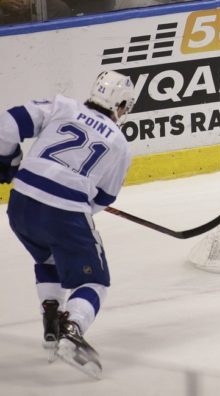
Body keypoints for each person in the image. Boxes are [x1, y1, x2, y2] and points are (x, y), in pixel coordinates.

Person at [0, 71, 135, 379]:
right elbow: (103, 198)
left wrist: (7, 161)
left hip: (21, 205)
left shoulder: (62, 106)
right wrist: (73, 207)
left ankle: (51, 317)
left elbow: (6, 124)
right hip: (65, 212)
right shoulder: (120, 143)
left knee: (48, 257)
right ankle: (70, 329)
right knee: (95, 282)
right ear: (122, 104)